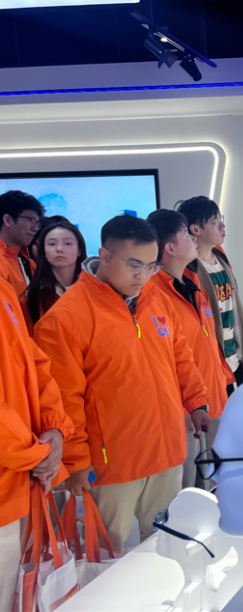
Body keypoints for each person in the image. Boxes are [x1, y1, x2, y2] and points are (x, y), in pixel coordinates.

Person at [34, 215, 212, 553]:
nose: (142, 275)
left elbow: (181, 358)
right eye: (134, 265)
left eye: (151, 266)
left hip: (166, 450)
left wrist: (197, 402)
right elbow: (62, 401)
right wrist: (76, 462)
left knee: (166, 543)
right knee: (105, 555)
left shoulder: (155, 298)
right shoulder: (64, 318)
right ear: (104, 256)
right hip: (112, 464)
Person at [0, 276, 74, 612]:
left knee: (21, 596)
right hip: (19, 472)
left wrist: (54, 428)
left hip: (23, 478)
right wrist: (38, 453)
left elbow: (34, 362)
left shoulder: (4, 289)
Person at [147, 210, 234, 490]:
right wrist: (187, 406)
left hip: (213, 399)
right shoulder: (152, 295)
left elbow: (209, 343)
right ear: (170, 248)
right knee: (186, 492)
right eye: (186, 233)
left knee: (213, 486)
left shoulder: (194, 282)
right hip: (185, 412)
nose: (193, 238)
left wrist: (224, 381)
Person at [177, 196, 243, 391]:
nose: (222, 226)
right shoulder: (187, 271)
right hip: (212, 362)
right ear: (196, 229)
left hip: (235, 357)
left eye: (220, 219)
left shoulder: (221, 258)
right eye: (214, 221)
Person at [24, 221, 87, 326]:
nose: (59, 249)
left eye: (67, 243)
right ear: (43, 251)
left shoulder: (94, 289)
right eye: (52, 244)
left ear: (79, 250)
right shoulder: (31, 297)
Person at [0, 190, 43, 301]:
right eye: (30, 220)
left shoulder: (29, 263)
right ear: (8, 220)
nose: (35, 229)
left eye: (37, 224)